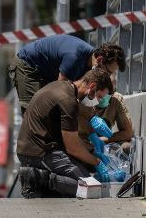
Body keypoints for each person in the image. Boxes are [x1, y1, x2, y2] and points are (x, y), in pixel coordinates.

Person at [16, 68, 114, 198]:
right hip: (38, 152)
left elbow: (70, 138)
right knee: (90, 186)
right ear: (92, 86)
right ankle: (39, 177)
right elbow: (72, 148)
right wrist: (97, 162)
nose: (97, 101)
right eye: (99, 96)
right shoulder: (68, 101)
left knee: (84, 168)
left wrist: (91, 154)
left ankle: (46, 186)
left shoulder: (62, 86)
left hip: (35, 147)